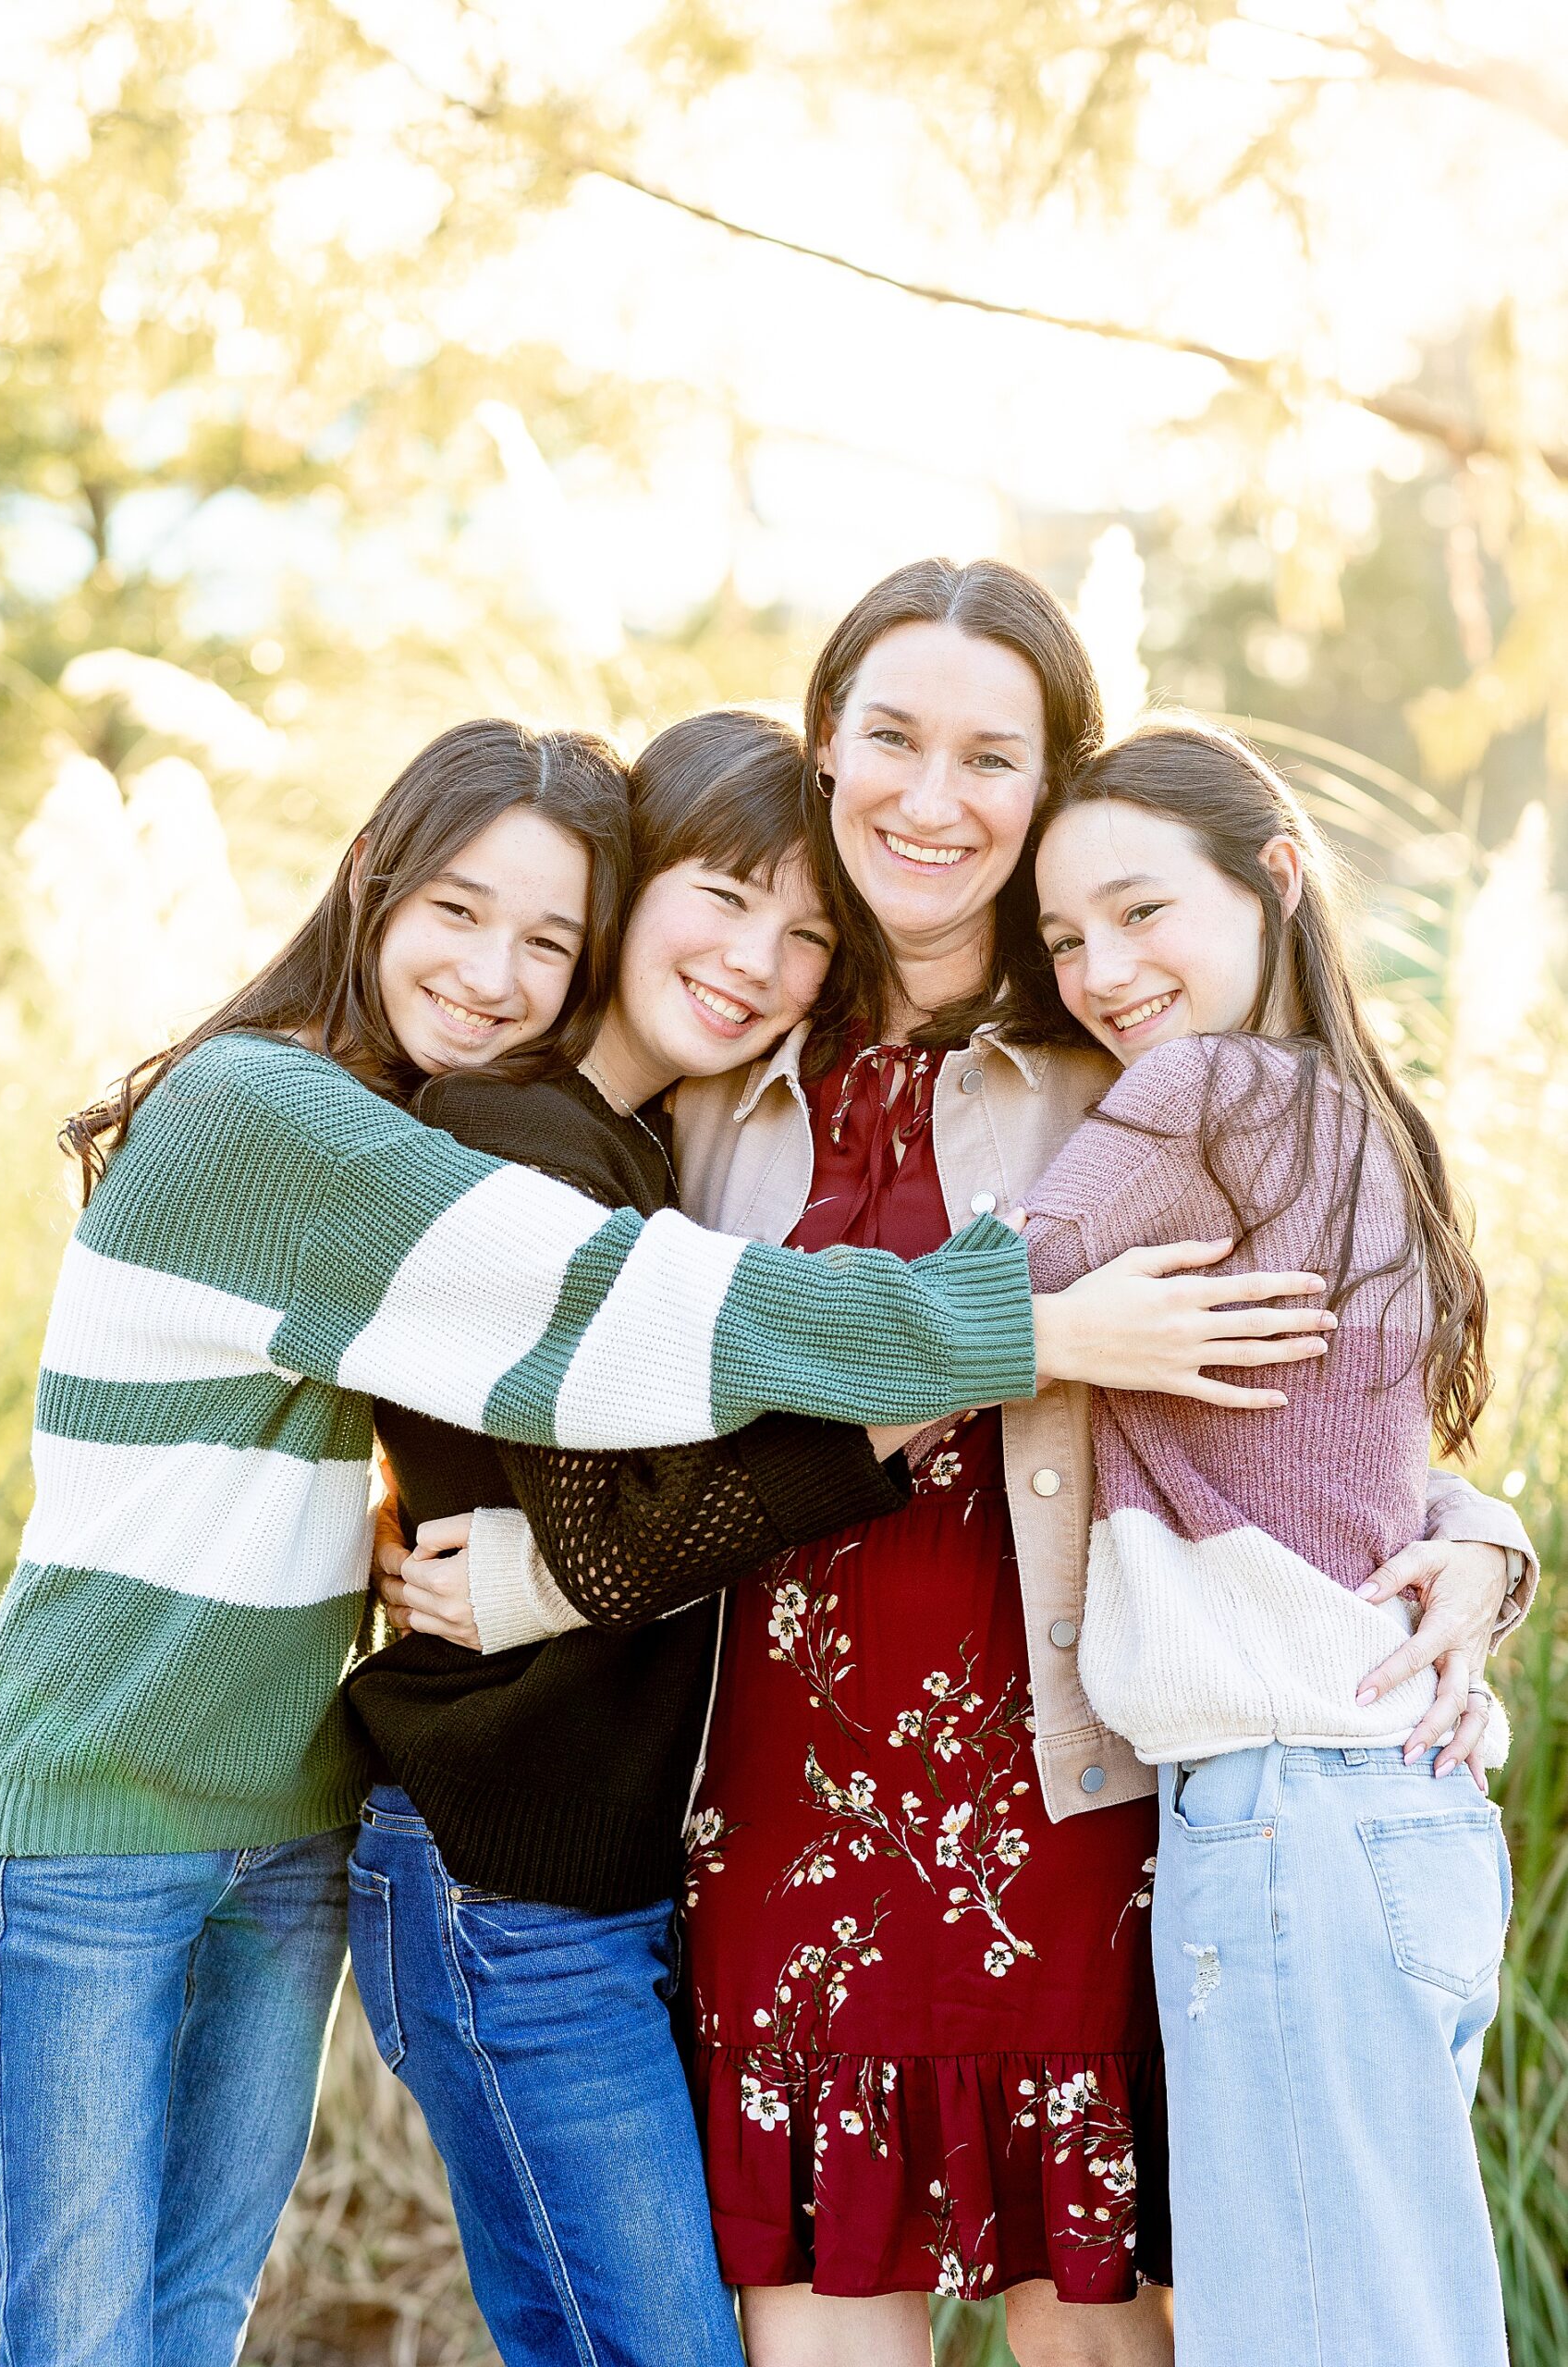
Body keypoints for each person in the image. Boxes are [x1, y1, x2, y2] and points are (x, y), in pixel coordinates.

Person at [0, 709, 1085, 2367]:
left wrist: (460, 1545)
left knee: (186, 2321)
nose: (497, 973)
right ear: (372, 881)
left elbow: (506, 1437)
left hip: (283, 1816)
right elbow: (631, 1333)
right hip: (110, 1813)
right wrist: (1017, 1321)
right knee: (84, 2335)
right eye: (458, 912)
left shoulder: (511, 1131)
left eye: (543, 937)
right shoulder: (284, 1114)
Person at [664, 560, 1531, 2367]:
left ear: (1048, 781)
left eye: (990, 754)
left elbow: (1324, 1404)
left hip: (1088, 1806)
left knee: (1114, 2329)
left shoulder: (1137, 1056)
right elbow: (637, 1367)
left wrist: (1475, 1534)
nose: (929, 794)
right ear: (824, 742)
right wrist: (1033, 1335)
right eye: (889, 736)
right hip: (785, 1798)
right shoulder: (718, 1052)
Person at [345, 708, 927, 2367]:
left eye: (809, 932)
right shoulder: (511, 1133)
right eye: (723, 893)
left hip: (582, 1885)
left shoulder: (644, 1159)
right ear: (623, 882)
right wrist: (885, 1429)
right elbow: (612, 1542)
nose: (757, 957)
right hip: (501, 1875)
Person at [1020, 718, 1522, 2367]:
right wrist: (1490, 1543)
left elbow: (988, 1290)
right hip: (1414, 1825)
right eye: (1064, 938)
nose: (1100, 969)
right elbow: (1389, 1463)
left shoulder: (1198, 1087)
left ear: (1274, 881)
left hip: (1292, 1818)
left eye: (1141, 910)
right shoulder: (1368, 1115)